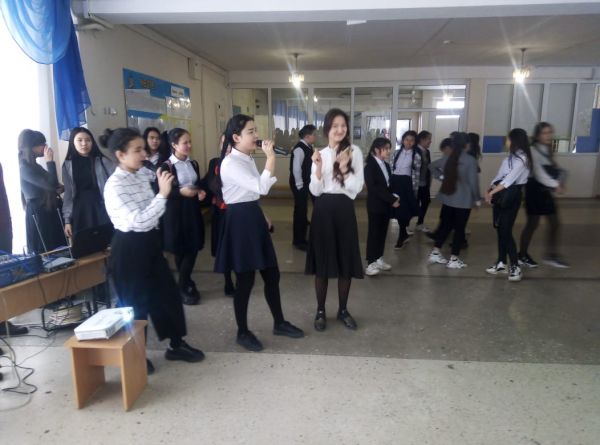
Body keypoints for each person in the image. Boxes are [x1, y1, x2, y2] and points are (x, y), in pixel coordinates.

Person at [102, 127, 205, 373]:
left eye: (144, 149)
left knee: (167, 295)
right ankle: (136, 355)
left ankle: (176, 344)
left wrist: (163, 193)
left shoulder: (140, 174)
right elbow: (138, 220)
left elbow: (152, 214)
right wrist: (163, 195)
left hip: (149, 244)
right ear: (120, 155)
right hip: (129, 249)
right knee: (135, 305)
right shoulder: (114, 185)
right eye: (137, 150)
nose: (144, 154)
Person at [214, 114, 304, 352]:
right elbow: (261, 187)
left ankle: (279, 323)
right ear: (236, 137)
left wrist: (260, 214)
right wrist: (271, 158)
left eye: (256, 130)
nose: (256, 135)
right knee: (245, 280)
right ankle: (242, 332)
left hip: (251, 215)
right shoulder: (230, 163)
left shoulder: (247, 158)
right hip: (240, 222)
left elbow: (251, 193)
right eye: (251, 132)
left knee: (272, 275)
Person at [306, 108, 365, 331]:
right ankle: (320, 311)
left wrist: (344, 168)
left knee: (345, 263)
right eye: (335, 126)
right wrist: (318, 168)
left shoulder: (354, 152)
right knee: (322, 264)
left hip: (344, 210)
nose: (340, 130)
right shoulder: (319, 154)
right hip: (323, 211)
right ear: (327, 129)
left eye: (343, 126)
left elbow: (356, 188)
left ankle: (343, 310)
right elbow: (315, 190)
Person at [159, 128, 207, 305]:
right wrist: (180, 192)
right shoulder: (166, 166)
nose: (189, 145)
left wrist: (200, 191)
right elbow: (161, 191)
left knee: (193, 247)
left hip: (192, 210)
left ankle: (183, 283)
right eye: (184, 143)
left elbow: (196, 183)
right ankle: (184, 285)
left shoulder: (193, 163)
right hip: (175, 213)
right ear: (174, 145)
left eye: (189, 142)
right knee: (180, 249)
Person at [518, 122, 568, 268]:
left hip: (544, 191)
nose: (548, 136)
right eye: (545, 133)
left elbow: (550, 169)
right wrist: (555, 184)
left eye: (550, 132)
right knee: (532, 224)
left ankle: (550, 255)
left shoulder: (547, 149)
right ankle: (522, 255)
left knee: (554, 223)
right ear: (538, 135)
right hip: (535, 191)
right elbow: (539, 173)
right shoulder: (533, 150)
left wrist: (559, 178)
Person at [427, 133, 481, 269]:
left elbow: (431, 166)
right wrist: (477, 199)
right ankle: (454, 258)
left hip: (448, 199)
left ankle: (435, 252)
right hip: (463, 201)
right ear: (466, 144)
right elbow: (473, 182)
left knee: (446, 226)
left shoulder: (449, 157)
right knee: (459, 229)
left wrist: (441, 177)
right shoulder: (470, 160)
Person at [485, 128, 532, 282]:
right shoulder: (509, 158)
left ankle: (515, 266)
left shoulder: (523, 159)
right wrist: (490, 189)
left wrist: (492, 193)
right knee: (500, 228)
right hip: (500, 194)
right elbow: (499, 176)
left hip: (512, 195)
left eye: (508, 138)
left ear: (514, 140)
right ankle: (501, 262)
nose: (505, 141)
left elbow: (509, 181)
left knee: (505, 230)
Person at [62, 127, 115, 239]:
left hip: (101, 206)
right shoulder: (67, 165)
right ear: (72, 142)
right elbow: (68, 194)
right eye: (79, 140)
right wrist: (67, 220)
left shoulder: (102, 161)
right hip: (80, 210)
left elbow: (115, 184)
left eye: (88, 140)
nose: (84, 143)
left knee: (106, 240)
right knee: (85, 244)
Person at [18, 130, 64, 254]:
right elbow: (52, 185)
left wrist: (55, 187)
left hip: (47, 210)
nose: (45, 146)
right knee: (45, 251)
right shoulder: (24, 168)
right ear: (32, 147)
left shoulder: (35, 166)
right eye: (42, 144)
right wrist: (50, 161)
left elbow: (56, 185)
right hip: (38, 213)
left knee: (59, 249)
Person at [205, 134, 236, 296]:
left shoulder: (241, 163)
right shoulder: (214, 163)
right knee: (223, 246)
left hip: (237, 212)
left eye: (230, 144)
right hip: (221, 211)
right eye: (224, 143)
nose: (227, 147)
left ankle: (240, 275)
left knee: (236, 245)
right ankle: (228, 280)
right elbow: (211, 185)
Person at [364, 137, 399, 276]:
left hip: (385, 204)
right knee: (374, 233)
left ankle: (379, 258)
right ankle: (370, 263)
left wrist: (394, 195)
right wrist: (392, 199)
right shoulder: (370, 166)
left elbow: (387, 185)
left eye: (389, 148)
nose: (389, 151)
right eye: (386, 149)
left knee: (383, 233)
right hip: (375, 205)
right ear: (376, 150)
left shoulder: (385, 165)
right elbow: (374, 188)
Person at [390, 130, 421, 249]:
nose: (409, 142)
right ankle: (403, 234)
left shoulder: (416, 155)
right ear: (403, 140)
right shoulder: (396, 153)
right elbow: (392, 168)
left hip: (406, 184)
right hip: (395, 182)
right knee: (397, 210)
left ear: (415, 142)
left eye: (412, 140)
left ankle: (402, 235)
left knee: (403, 210)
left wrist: (414, 190)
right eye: (406, 139)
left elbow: (416, 174)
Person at [290, 124, 317, 251]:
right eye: (314, 134)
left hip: (306, 183)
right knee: (300, 210)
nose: (316, 137)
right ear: (307, 136)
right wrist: (300, 186)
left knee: (303, 209)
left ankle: (304, 224)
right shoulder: (299, 149)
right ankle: (298, 240)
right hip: (299, 184)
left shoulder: (309, 146)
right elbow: (296, 169)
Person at [138, 127, 170, 191]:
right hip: (139, 187)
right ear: (145, 139)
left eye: (158, 138)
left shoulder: (164, 157)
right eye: (152, 138)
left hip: (156, 189)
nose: (155, 141)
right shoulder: (139, 155)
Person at [415, 130, 433, 233]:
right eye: (428, 139)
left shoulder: (427, 152)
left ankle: (420, 223)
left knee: (426, 202)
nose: (430, 141)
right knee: (414, 203)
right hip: (415, 183)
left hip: (424, 183)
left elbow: (428, 167)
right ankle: (405, 225)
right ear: (422, 139)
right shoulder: (415, 150)